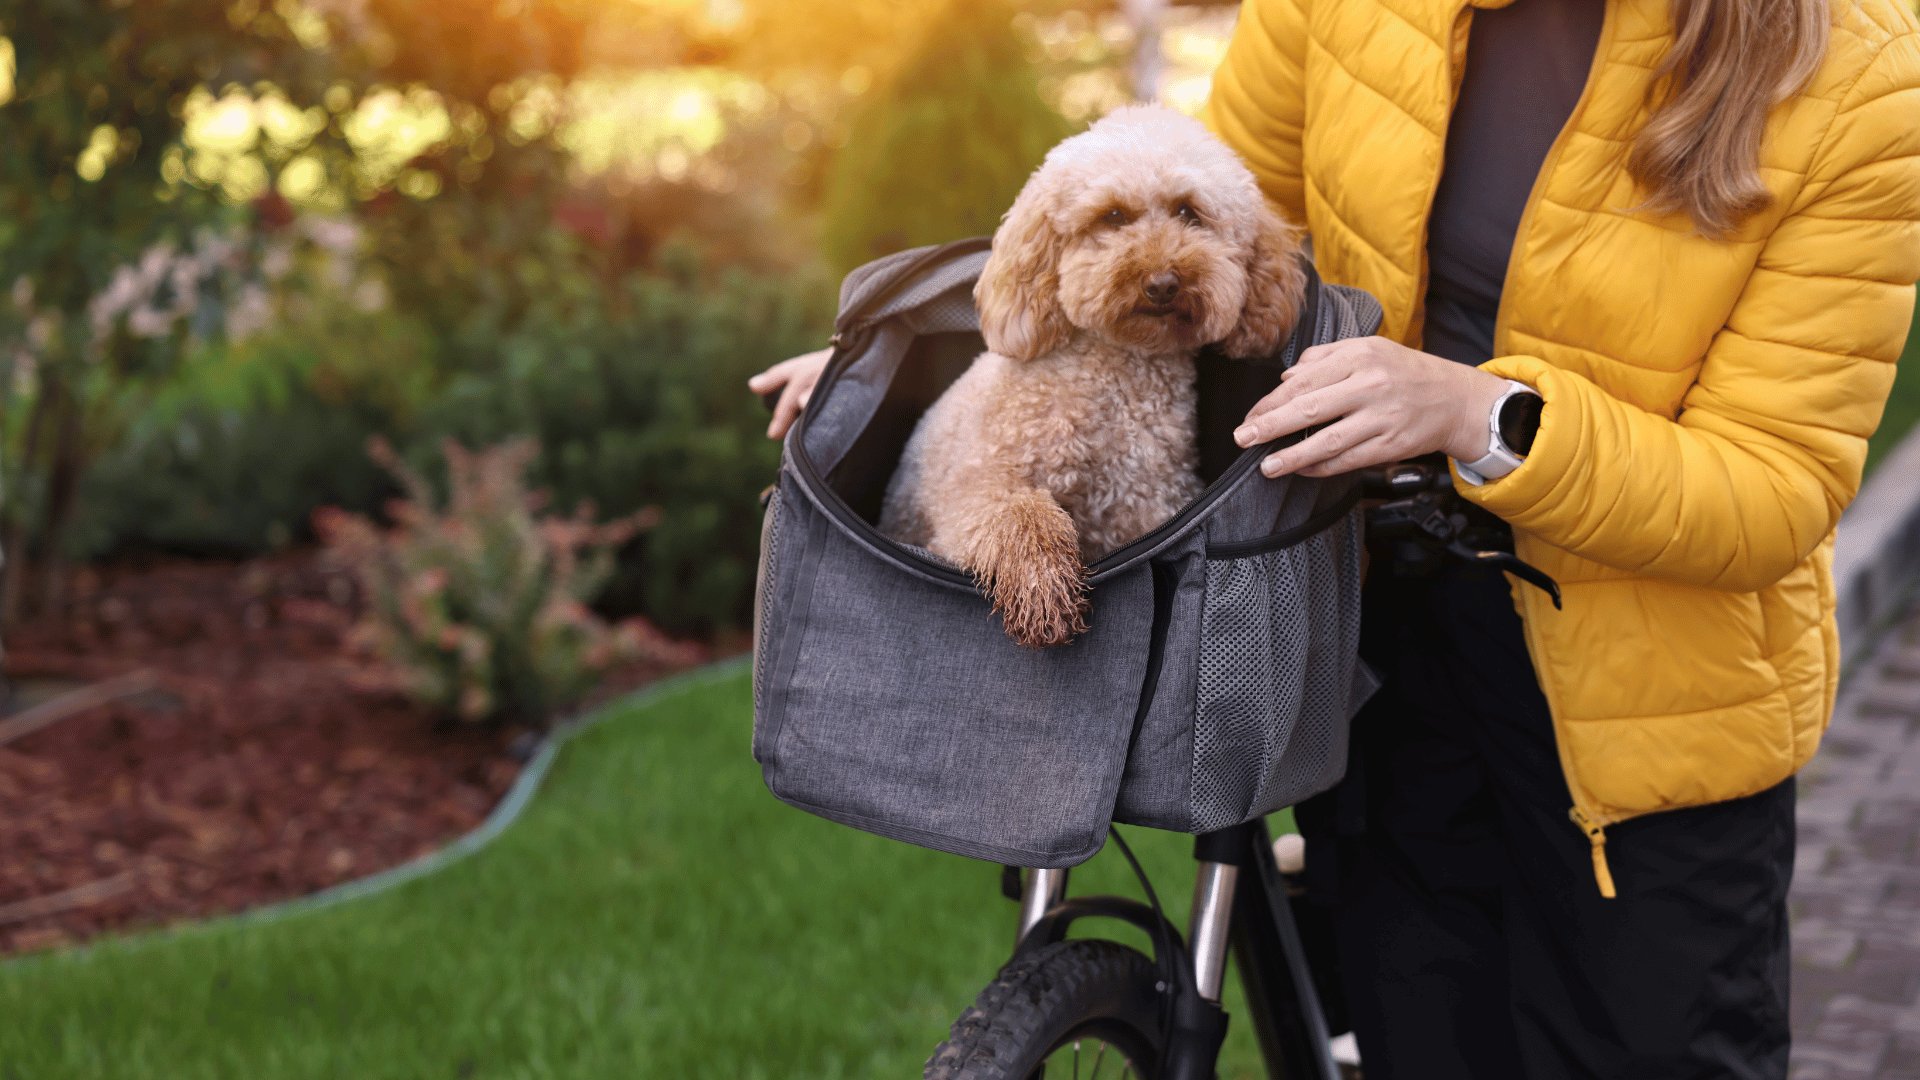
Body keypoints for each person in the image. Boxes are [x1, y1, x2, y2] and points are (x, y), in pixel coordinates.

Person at [750, 0, 1920, 1074]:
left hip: (1648, 725)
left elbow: (1774, 487)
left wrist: (1479, 414)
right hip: (1374, 646)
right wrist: (916, 368)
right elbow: (1199, 232)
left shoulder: (1860, 80)